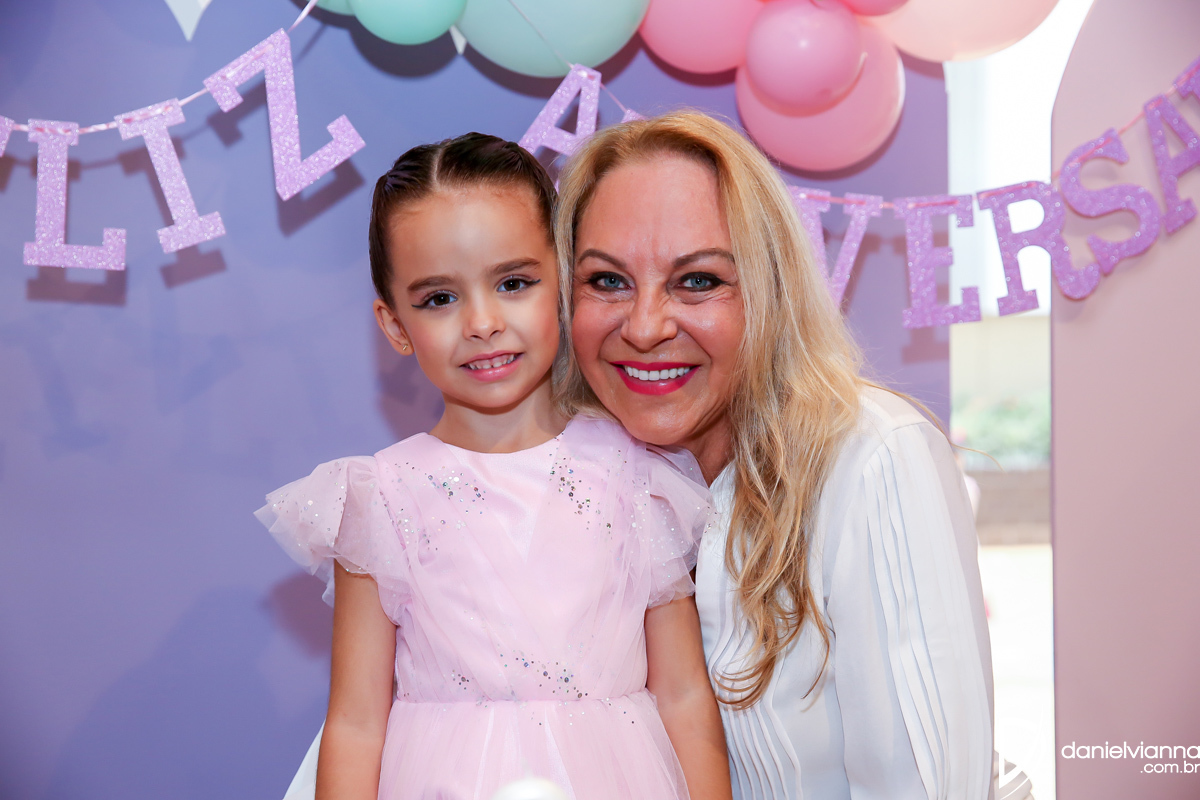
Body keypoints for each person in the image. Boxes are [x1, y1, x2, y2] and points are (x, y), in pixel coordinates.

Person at [256, 133, 731, 800]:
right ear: (394, 325)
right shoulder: (378, 498)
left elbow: (682, 695)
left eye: (513, 283)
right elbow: (356, 725)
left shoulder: (638, 475)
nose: (482, 322)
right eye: (439, 299)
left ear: (563, 285)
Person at [556, 111, 995, 800]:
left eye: (697, 281)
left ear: (771, 291)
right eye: (607, 281)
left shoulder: (872, 460)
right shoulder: (566, 487)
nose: (643, 327)